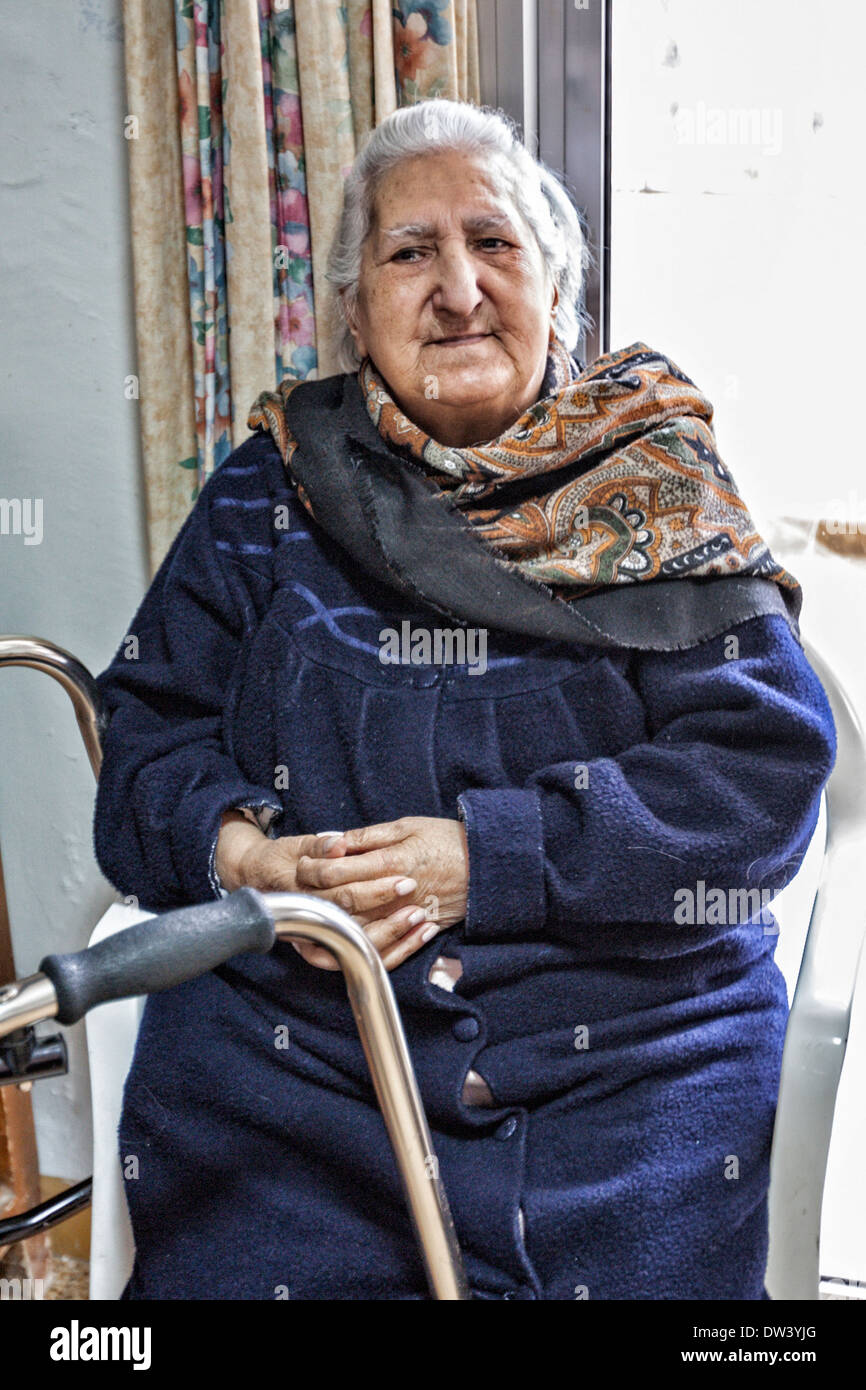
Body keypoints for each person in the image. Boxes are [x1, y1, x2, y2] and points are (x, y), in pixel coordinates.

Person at [93, 99, 835, 1300]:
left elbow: (755, 783)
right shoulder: (269, 490)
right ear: (352, 311)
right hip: (305, 1076)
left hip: (628, 1065)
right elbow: (144, 747)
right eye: (408, 253)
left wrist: (486, 859)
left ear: (559, 289)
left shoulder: (651, 484)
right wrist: (247, 858)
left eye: (494, 246)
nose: (456, 289)